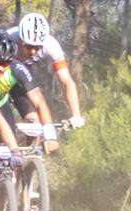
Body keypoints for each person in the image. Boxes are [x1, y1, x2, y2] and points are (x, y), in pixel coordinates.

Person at [0, 29, 55, 149]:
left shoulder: (17, 67)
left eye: (5, 63)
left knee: (7, 149)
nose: (0, 67)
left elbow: (38, 100)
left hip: (0, 105)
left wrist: (50, 134)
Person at [10, 12, 84, 143]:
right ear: (21, 39)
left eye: (37, 47)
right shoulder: (9, 38)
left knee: (34, 123)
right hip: (1, 75)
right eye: (28, 46)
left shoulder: (51, 45)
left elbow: (66, 81)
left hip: (23, 77)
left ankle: (29, 157)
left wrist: (76, 114)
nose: (33, 52)